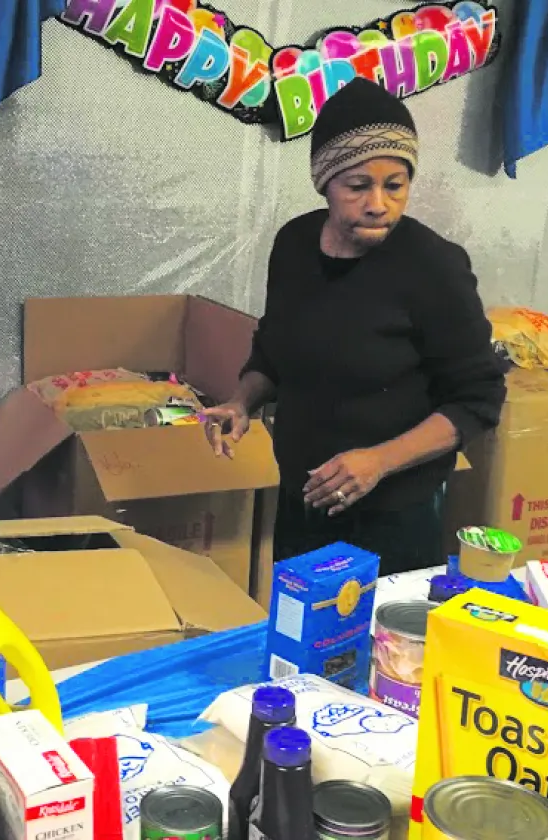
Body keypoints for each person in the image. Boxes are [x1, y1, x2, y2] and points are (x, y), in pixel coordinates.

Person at [204, 79, 505, 575]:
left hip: (396, 520)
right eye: (358, 185)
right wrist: (242, 402)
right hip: (304, 502)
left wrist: (378, 462)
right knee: (302, 642)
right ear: (325, 183)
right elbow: (274, 352)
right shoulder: (295, 245)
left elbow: (478, 399)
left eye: (395, 185)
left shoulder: (435, 267)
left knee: (384, 650)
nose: (378, 204)